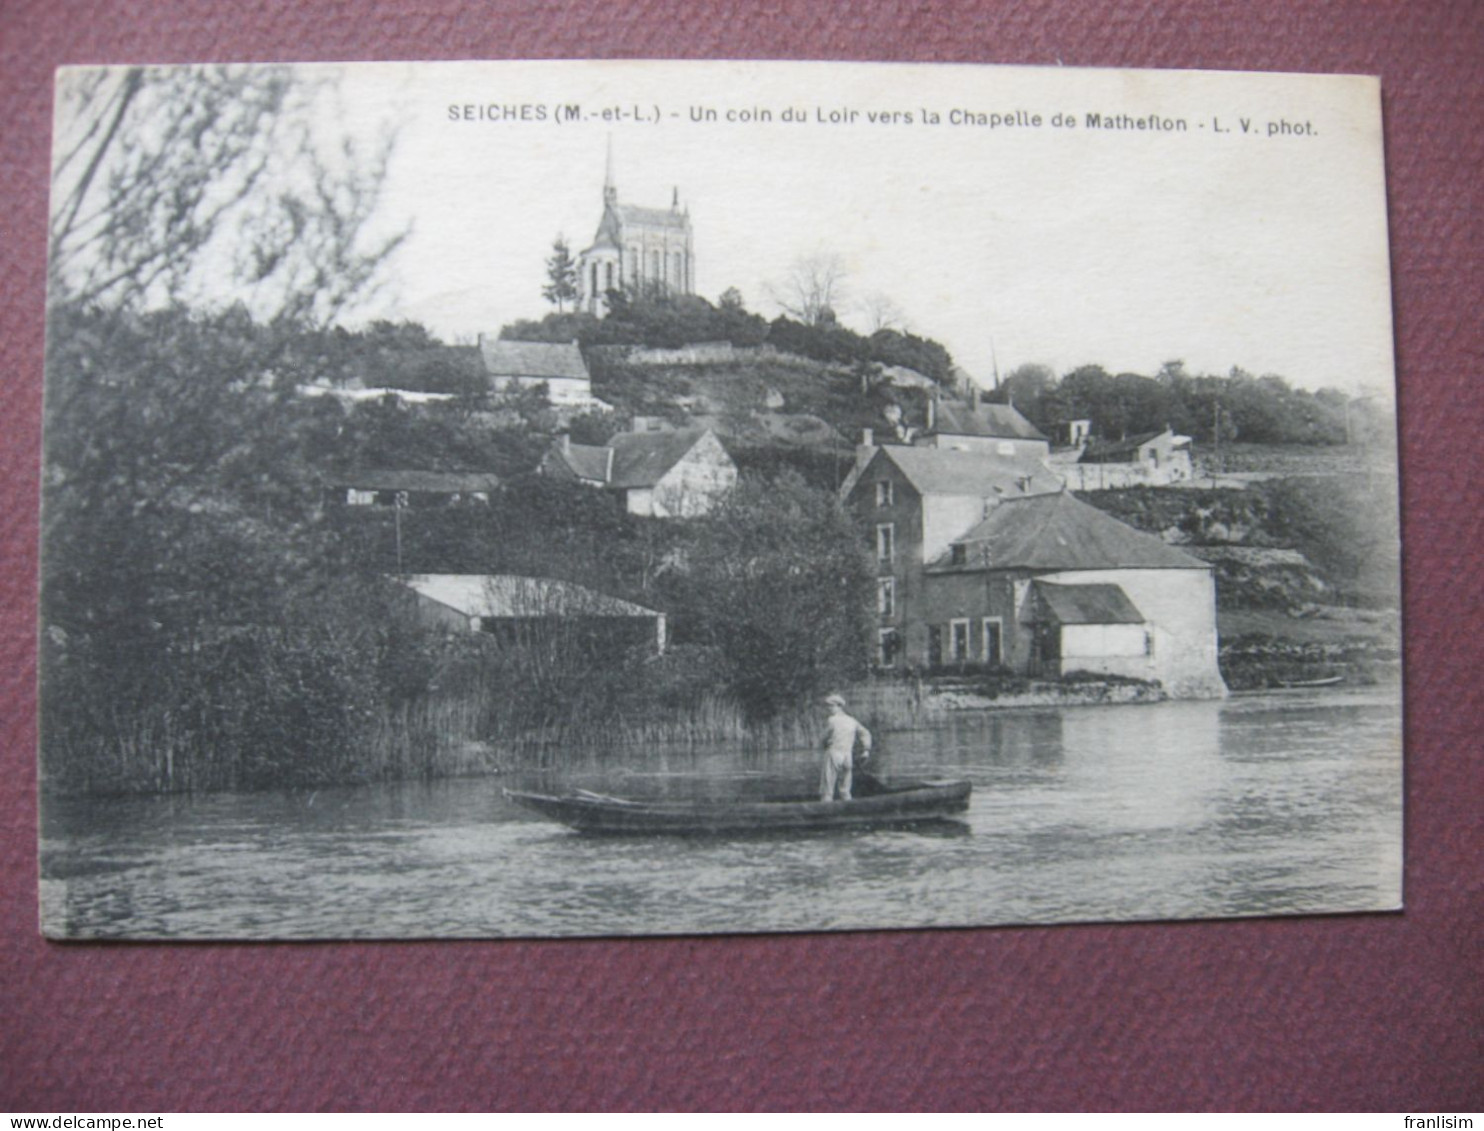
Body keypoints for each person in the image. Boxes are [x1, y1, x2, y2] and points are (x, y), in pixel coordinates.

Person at [819, 693, 872, 802]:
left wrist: (824, 743)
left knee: (827, 786)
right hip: (847, 756)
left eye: (831, 706)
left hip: (834, 753)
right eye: (828, 706)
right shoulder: (851, 720)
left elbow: (823, 738)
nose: (828, 708)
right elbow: (865, 733)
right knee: (845, 788)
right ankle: (848, 806)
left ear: (839, 706)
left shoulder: (832, 720)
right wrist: (866, 750)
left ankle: (825, 806)